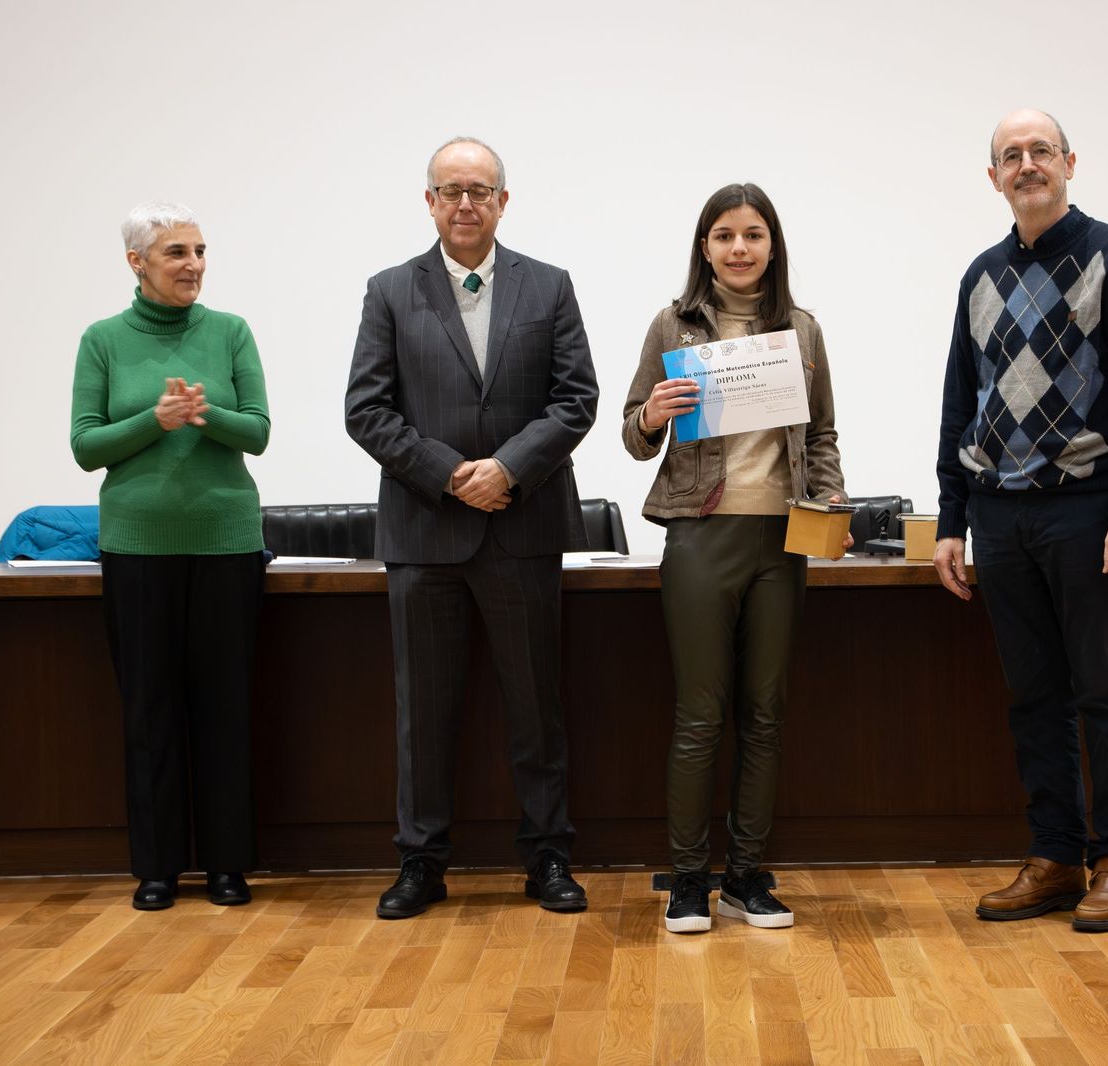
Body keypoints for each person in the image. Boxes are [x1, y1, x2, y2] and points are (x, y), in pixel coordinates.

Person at [346, 137, 599, 919]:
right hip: (425, 532)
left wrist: (507, 468)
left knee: (536, 706)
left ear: (502, 200)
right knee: (423, 715)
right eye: (450, 190)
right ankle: (420, 863)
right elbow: (367, 410)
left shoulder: (548, 287)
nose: (464, 203)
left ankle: (548, 856)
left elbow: (575, 398)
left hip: (523, 529)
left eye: (479, 190)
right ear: (429, 202)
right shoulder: (390, 291)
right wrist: (453, 473)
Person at [934, 110, 1108, 932]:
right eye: (1011, 156)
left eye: (1041, 151)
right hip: (1000, 517)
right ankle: (1055, 858)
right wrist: (950, 522)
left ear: (1070, 163)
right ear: (993, 177)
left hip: (1087, 510)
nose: (1027, 164)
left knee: (1105, 694)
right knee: (1033, 698)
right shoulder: (979, 277)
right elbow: (959, 405)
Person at [622, 183, 848, 934]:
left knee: (766, 714)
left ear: (772, 245)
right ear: (705, 247)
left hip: (783, 538)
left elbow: (821, 439)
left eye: (753, 234)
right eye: (724, 235)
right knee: (699, 713)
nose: (740, 248)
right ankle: (689, 880)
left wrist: (833, 507)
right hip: (699, 533)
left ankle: (746, 877)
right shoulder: (674, 323)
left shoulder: (802, 330)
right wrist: (652, 413)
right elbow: (632, 431)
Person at [70, 200, 271, 911]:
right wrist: (152, 421)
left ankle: (227, 865)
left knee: (224, 709)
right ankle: (157, 868)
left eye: (199, 250)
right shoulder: (102, 340)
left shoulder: (230, 332)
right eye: (176, 253)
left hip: (226, 544)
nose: (194, 265)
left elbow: (258, 433)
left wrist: (204, 413)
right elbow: (86, 445)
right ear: (137, 263)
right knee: (149, 712)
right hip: (138, 549)